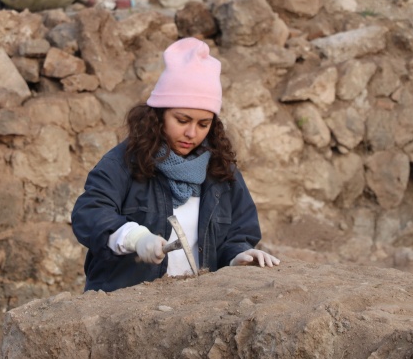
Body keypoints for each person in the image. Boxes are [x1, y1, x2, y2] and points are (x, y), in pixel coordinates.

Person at [71, 37, 280, 292]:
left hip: (193, 311)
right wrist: (134, 237)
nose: (192, 133)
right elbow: (90, 213)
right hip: (125, 311)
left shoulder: (221, 172)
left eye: (204, 124)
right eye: (182, 120)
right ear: (159, 115)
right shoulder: (123, 162)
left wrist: (238, 256)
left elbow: (239, 232)